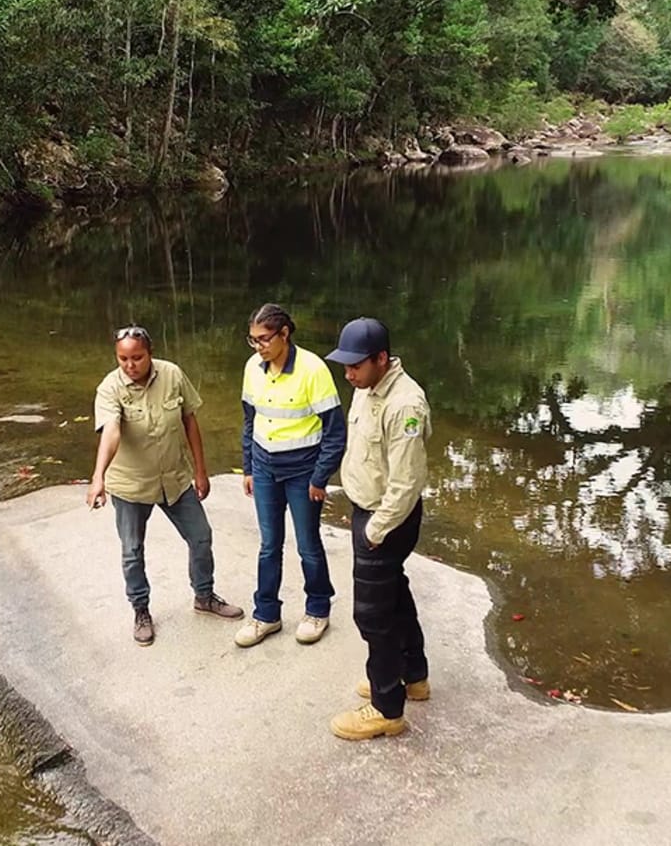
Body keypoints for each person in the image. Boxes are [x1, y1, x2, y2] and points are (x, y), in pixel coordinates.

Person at [87, 325, 245, 646]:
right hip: (130, 485)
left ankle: (204, 595)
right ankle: (141, 609)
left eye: (137, 358)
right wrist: (98, 476)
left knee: (201, 537)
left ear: (151, 353)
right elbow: (112, 431)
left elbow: (190, 420)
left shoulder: (172, 374)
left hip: (174, 477)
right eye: (123, 359)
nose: (130, 365)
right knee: (132, 551)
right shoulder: (109, 388)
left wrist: (201, 470)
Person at [323, 317, 431, 740]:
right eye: (345, 366)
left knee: (372, 615)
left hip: (386, 519)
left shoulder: (404, 405)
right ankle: (413, 676)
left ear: (381, 359)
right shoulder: (367, 388)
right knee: (394, 596)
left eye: (355, 366)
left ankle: (387, 707)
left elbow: (407, 482)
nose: (347, 374)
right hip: (369, 510)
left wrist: (374, 530)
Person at [233, 304, 347, 648]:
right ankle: (266, 614)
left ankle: (317, 609)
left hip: (302, 471)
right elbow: (250, 420)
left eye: (264, 339)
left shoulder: (313, 369)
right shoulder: (253, 367)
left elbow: (335, 431)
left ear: (285, 334)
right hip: (265, 467)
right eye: (252, 340)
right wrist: (250, 467)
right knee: (269, 545)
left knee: (308, 544)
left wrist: (320, 478)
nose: (258, 347)